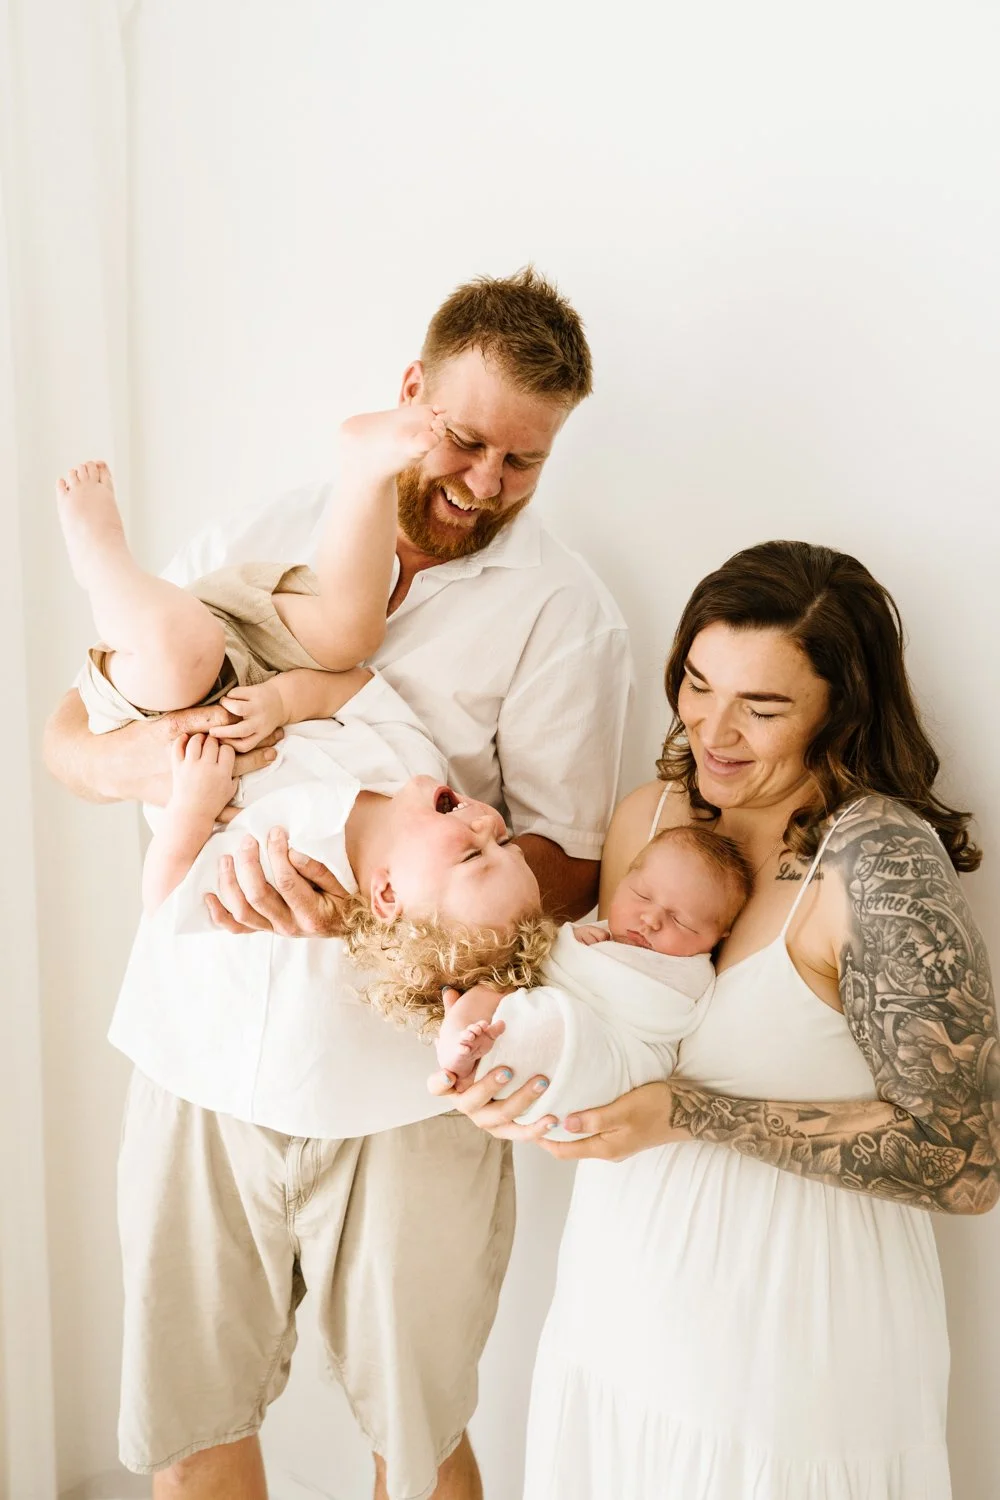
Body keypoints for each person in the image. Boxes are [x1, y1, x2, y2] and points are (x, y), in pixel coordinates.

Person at [42, 269, 632, 1500]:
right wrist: (171, 779)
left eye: (522, 463)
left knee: (417, 1438)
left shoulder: (565, 615)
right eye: (465, 440)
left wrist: (387, 889)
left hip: (405, 1088)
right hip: (201, 1053)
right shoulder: (275, 530)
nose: (484, 482)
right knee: (192, 1421)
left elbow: (572, 868)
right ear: (410, 393)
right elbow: (75, 733)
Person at [433, 540, 1000, 1500]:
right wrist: (514, 1082)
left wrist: (688, 1113)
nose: (714, 731)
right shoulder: (648, 820)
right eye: (697, 685)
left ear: (842, 705)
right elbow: (609, 1024)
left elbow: (968, 1157)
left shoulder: (880, 865)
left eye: (763, 706)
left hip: (794, 1353)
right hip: (617, 1311)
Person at [56, 406, 448, 749]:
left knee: (182, 656)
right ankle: (100, 554)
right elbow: (357, 685)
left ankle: (103, 562)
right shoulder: (405, 780)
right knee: (350, 634)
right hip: (251, 661)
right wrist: (282, 701)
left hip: (165, 692)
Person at [367, 826, 752, 1144]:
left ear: (719, 937)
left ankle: (471, 1048)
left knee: (528, 1016)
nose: (651, 919)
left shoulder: (686, 979)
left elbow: (653, 1010)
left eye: (681, 921)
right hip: (542, 1086)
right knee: (494, 997)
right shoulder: (604, 935)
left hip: (602, 1070)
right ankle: (466, 1050)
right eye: (642, 896)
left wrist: (573, 952)